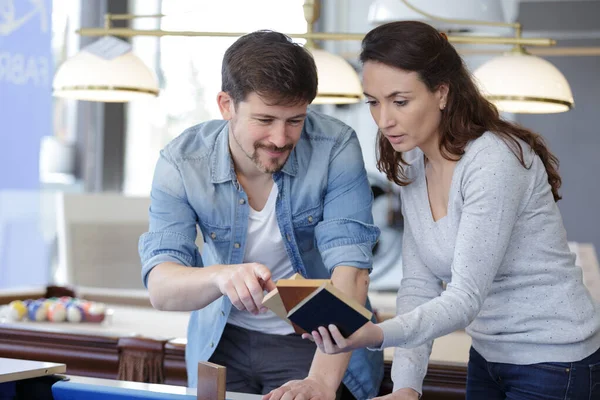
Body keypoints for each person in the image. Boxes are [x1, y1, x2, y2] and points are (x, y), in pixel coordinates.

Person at [303, 21, 600, 400]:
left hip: (556, 363)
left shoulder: (493, 160)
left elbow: (465, 298)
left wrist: (377, 334)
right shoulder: (411, 163)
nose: (384, 119)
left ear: (441, 92)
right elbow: (419, 284)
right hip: (489, 357)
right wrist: (407, 386)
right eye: (373, 102)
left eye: (400, 100)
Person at [138, 30, 383, 400]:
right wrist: (222, 277)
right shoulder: (181, 161)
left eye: (295, 120)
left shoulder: (335, 147)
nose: (281, 138)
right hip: (221, 343)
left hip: (317, 343)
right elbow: (162, 288)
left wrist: (319, 382)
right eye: (265, 120)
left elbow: (352, 272)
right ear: (226, 105)